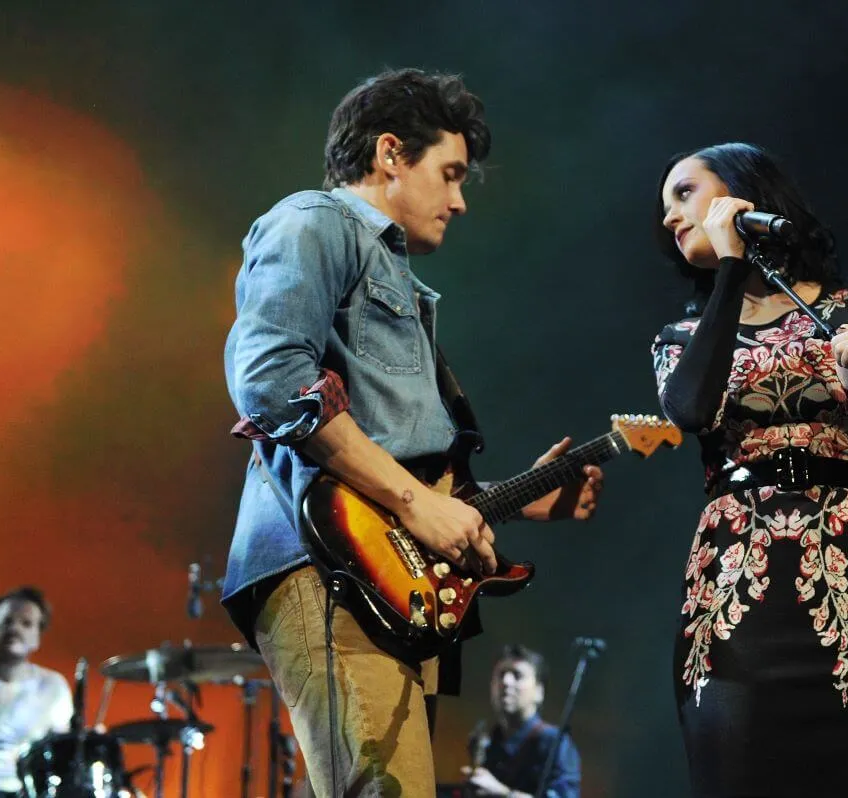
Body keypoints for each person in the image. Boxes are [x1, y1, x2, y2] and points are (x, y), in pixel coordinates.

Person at [221, 67, 603, 797]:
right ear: (391, 153)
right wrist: (415, 502)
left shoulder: (395, 275)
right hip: (325, 565)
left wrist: (501, 500)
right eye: (451, 175)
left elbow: (393, 456)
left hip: (389, 579)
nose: (460, 201)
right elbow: (269, 379)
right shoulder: (315, 221)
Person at [650, 142, 848, 796]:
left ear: (744, 192)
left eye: (684, 193)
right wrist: (730, 271)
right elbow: (689, 409)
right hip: (738, 582)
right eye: (665, 206)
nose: (669, 217)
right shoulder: (681, 337)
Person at [0, 587, 72, 798]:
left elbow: (62, 751)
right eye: (7, 621)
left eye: (26, 624)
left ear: (38, 637)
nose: (15, 629)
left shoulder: (53, 686)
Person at [461, 644, 580, 798]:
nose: (506, 682)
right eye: (501, 674)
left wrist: (503, 793)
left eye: (517, 675)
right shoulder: (490, 740)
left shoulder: (555, 743)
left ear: (539, 691)